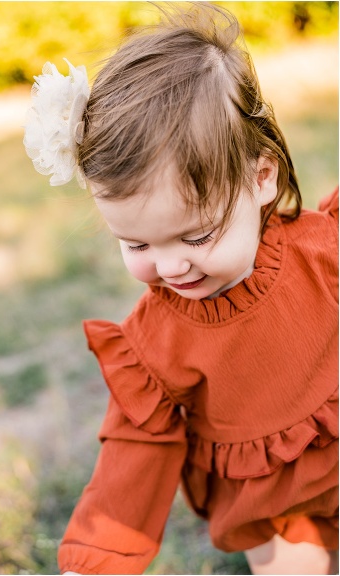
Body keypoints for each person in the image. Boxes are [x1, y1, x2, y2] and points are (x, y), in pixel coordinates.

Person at [23, 3, 337, 574]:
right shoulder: (155, 345)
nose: (170, 267)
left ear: (261, 177)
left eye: (196, 235)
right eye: (137, 245)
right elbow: (132, 454)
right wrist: (96, 560)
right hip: (271, 505)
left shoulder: (324, 253)